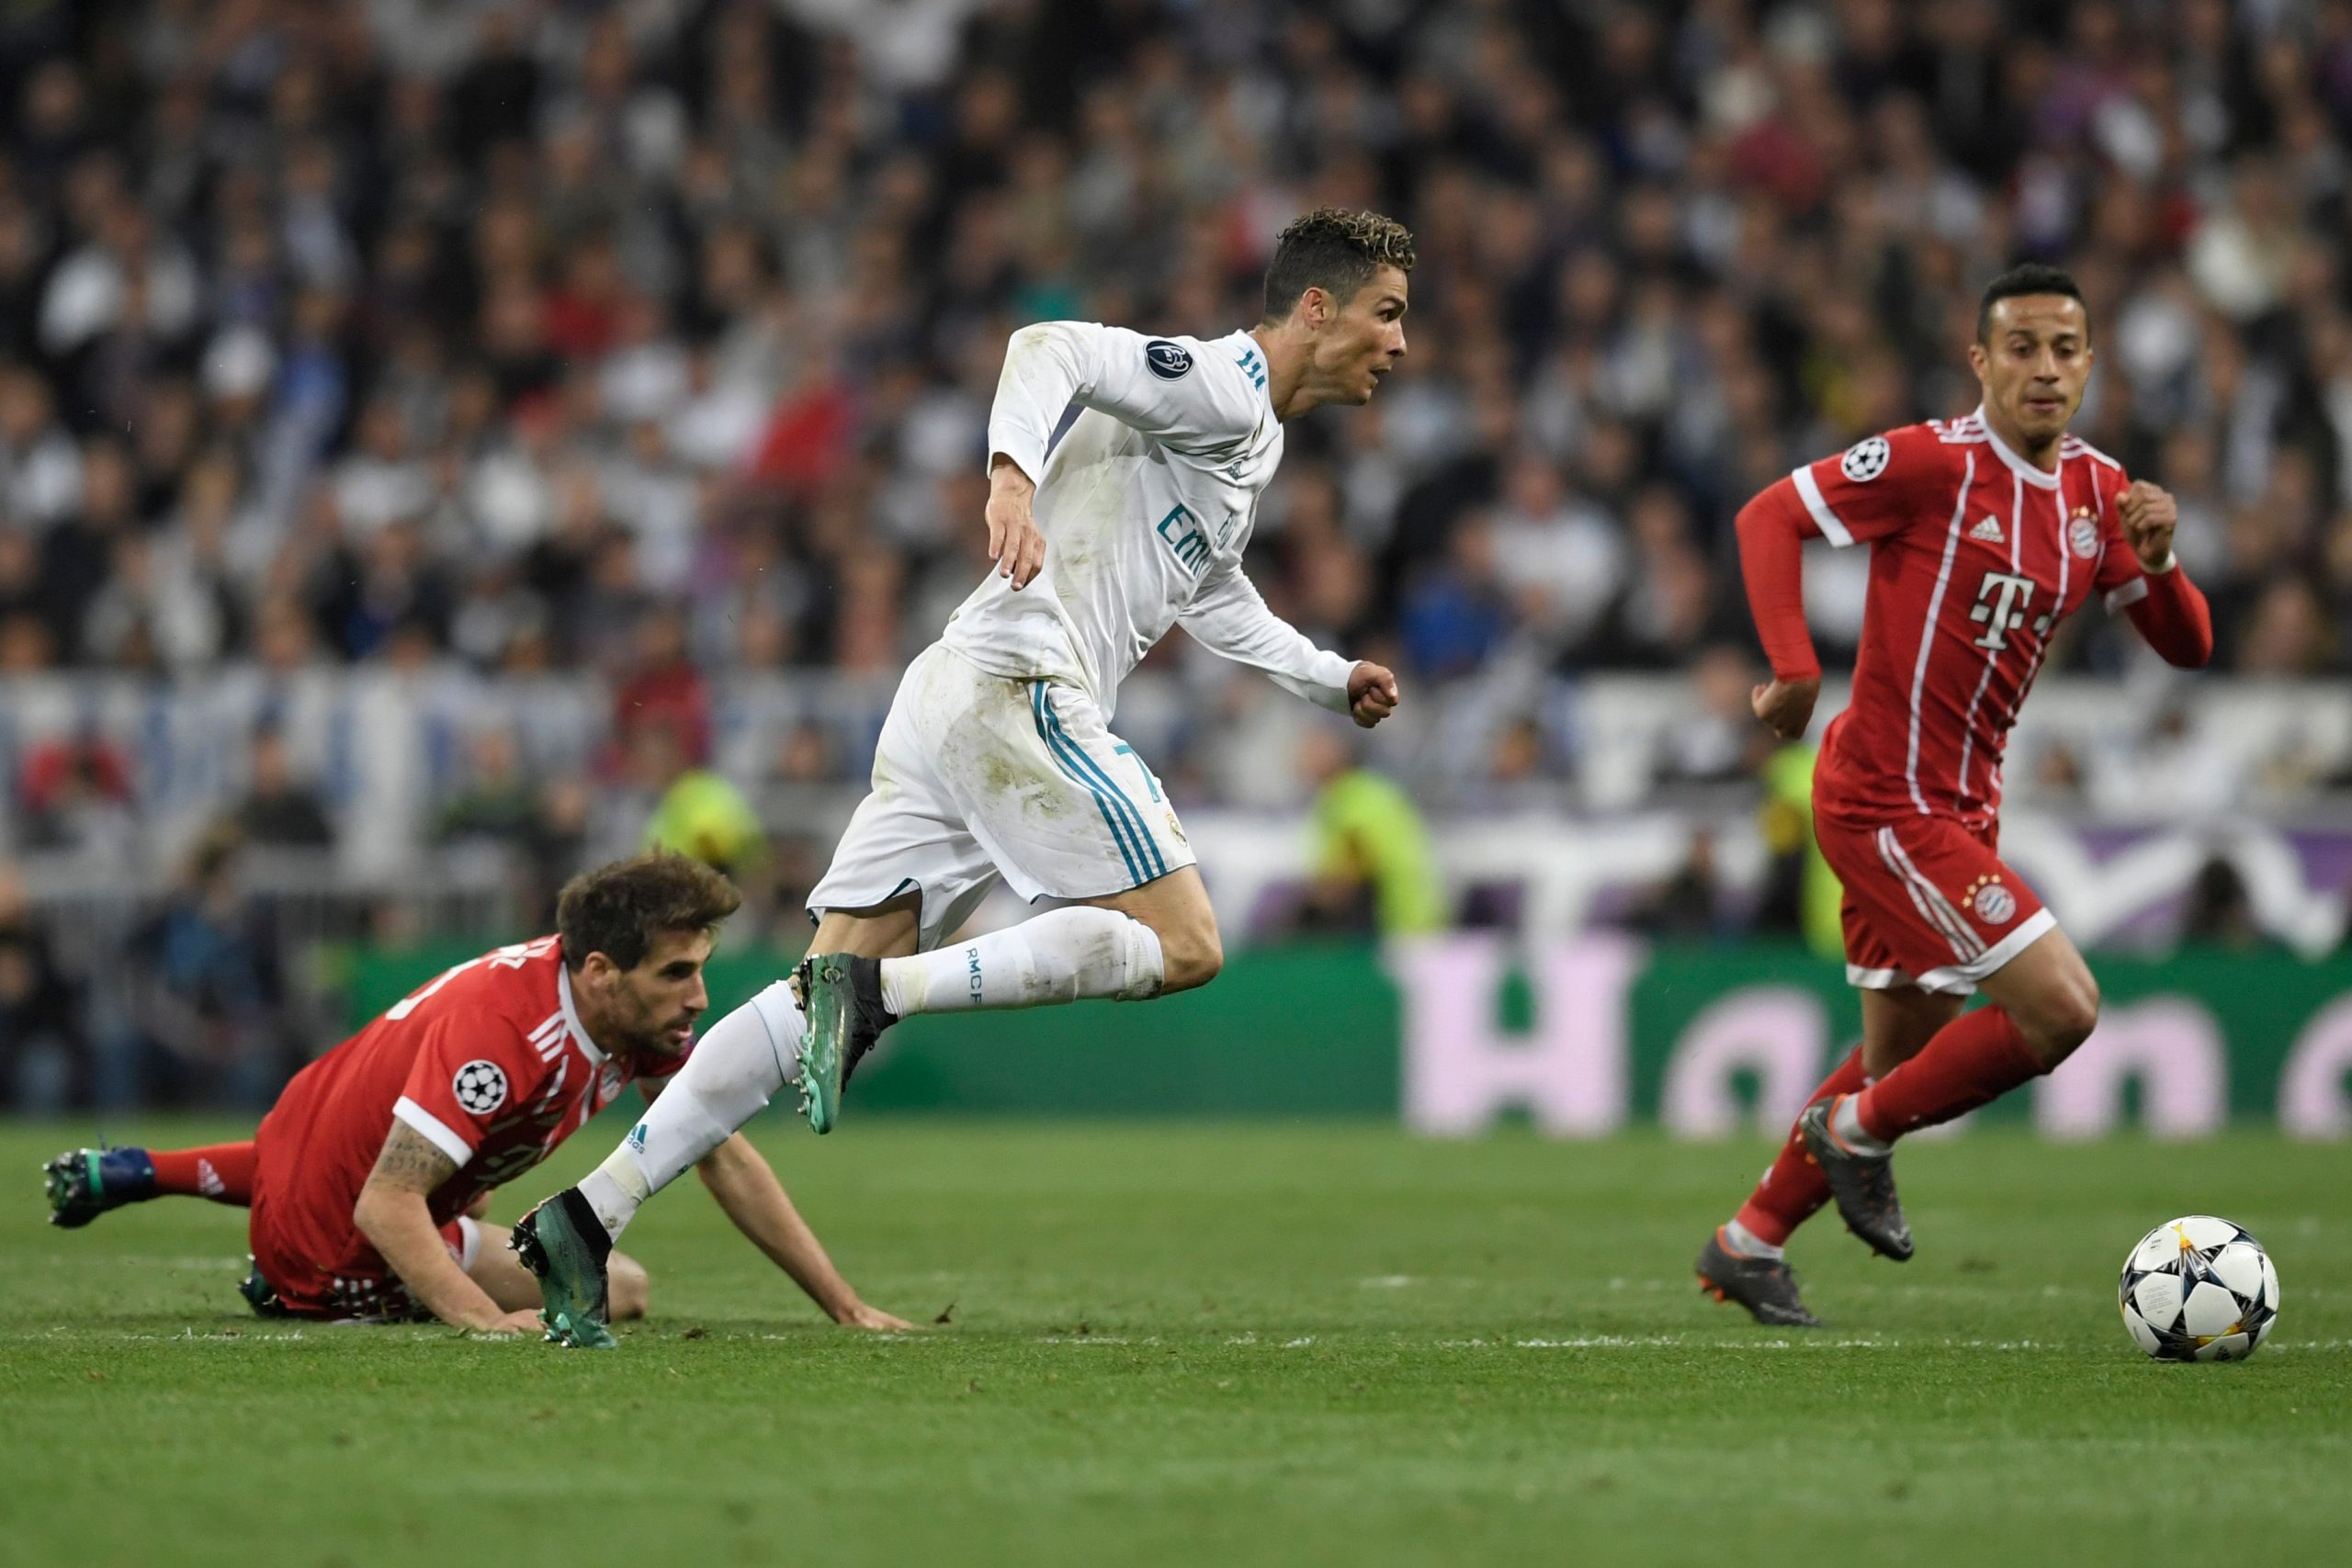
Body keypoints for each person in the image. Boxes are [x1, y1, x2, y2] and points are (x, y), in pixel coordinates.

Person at [511, 208, 1412, 1348]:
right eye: (1385, 314)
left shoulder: (1257, 439)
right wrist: (1011, 482)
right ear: (1317, 309)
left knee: (808, 992)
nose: (1398, 345)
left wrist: (1328, 678)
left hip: (952, 692)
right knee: (1184, 944)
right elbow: (1052, 349)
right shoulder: (1225, 387)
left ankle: (588, 1218)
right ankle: (884, 995)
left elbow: (1210, 585)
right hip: (1022, 687)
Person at [1694, 264, 2215, 1327]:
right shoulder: (1931, 464)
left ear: (2089, 363)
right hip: (1884, 800)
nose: (2043, 368)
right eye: (2019, 347)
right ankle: (1854, 1139)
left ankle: (1746, 1241)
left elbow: (2187, 647)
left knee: (1900, 1054)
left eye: (2064, 348)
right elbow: (1767, 517)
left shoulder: (2097, 494)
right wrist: (1792, 667)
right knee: (2062, 1008)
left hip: (1964, 804)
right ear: (1979, 361)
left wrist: (2159, 564)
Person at [45, 852, 907, 1347]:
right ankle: (301, 1286)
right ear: (601, 973)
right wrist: (482, 1320)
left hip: (301, 1135)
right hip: (343, 1235)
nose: (699, 998)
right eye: (677, 973)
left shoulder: (608, 1006)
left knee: (468, 1190)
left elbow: (720, 1150)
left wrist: (840, 1300)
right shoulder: (504, 1040)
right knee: (625, 1289)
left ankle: (138, 1171)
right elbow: (385, 1202)